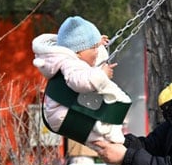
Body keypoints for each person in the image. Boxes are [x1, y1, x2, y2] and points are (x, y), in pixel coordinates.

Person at [32, 16, 131, 151]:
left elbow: (89, 63)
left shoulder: (74, 58)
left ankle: (120, 155)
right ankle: (120, 155)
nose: (97, 52)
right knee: (104, 142)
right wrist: (102, 75)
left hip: (65, 111)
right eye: (94, 48)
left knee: (105, 141)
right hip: (65, 114)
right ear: (78, 52)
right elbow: (80, 82)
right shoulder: (69, 63)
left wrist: (97, 43)